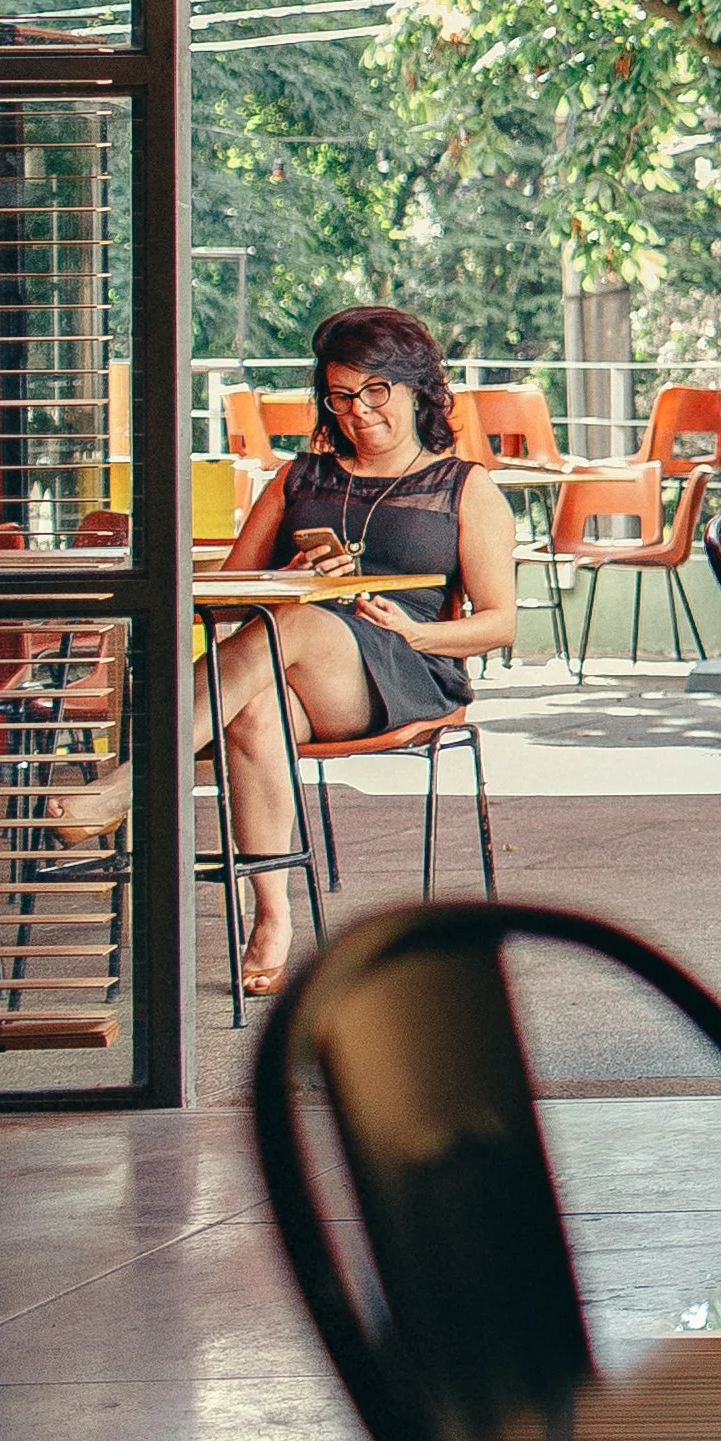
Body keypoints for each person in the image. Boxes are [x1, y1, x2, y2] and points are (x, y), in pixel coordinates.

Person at [207, 307, 516, 995]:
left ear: (416, 390)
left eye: (375, 390)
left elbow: (499, 624)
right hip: (302, 665)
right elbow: (229, 597)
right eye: (341, 395)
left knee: (301, 622)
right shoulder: (298, 480)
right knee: (258, 713)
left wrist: (415, 632)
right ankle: (272, 912)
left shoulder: (464, 485)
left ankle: (140, 774)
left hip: (411, 668)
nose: (358, 411)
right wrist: (293, 576)